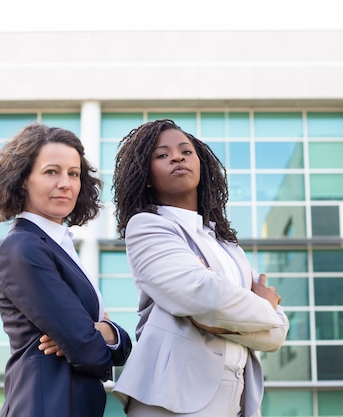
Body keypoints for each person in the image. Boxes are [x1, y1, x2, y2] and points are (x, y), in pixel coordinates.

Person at [111, 119, 289, 417]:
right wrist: (262, 310)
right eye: (162, 155)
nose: (177, 157)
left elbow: (276, 334)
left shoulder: (226, 243)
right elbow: (203, 296)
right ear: (146, 175)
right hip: (172, 398)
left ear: (201, 164)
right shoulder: (147, 226)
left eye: (185, 151)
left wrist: (244, 315)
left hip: (235, 399)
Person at [0, 123, 132, 417]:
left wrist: (102, 332)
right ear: (23, 179)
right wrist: (95, 335)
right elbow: (89, 351)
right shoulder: (23, 248)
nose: (66, 183)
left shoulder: (58, 245)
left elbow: (119, 345)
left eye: (73, 174)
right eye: (52, 172)